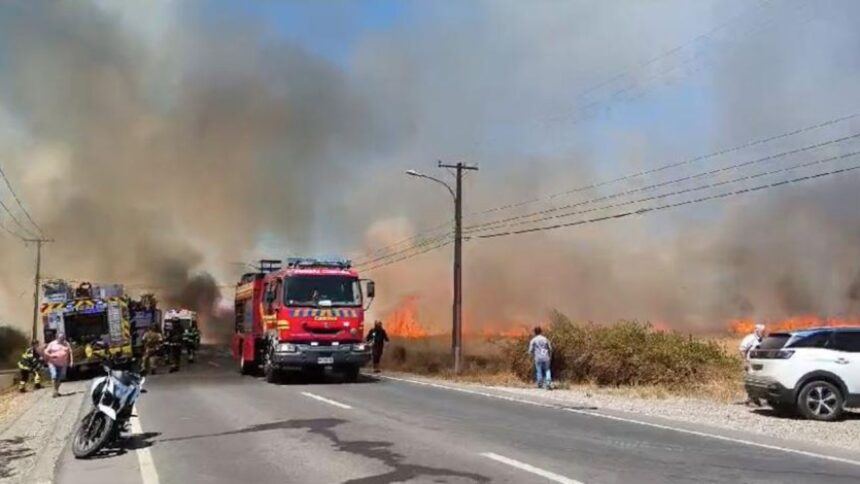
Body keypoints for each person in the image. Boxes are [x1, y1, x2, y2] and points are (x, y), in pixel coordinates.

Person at [739, 323, 766, 406]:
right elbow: (742, 349)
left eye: (763, 331)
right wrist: (745, 362)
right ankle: (751, 399)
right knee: (751, 381)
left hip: (760, 364)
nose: (763, 332)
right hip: (750, 363)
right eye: (761, 331)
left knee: (759, 381)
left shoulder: (763, 340)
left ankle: (755, 399)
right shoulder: (750, 338)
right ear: (756, 330)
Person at [44, 333, 72, 397]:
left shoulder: (66, 344)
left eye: (63, 337)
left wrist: (70, 361)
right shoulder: (52, 344)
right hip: (52, 363)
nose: (62, 339)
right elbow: (46, 351)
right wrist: (50, 355)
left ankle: (56, 390)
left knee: (59, 378)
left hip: (62, 363)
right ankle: (54, 391)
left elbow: (70, 352)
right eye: (60, 338)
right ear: (57, 338)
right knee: (54, 375)